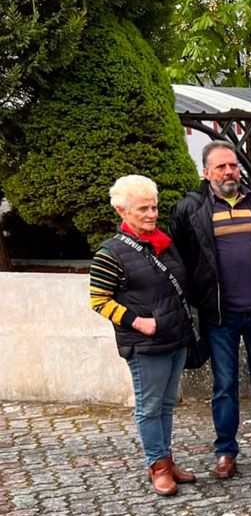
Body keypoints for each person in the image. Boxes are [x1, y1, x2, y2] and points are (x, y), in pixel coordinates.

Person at [172, 141, 251, 479]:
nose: (229, 172)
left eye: (232, 166)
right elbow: (183, 260)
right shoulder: (191, 208)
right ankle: (226, 451)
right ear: (206, 172)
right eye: (221, 167)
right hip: (220, 315)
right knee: (225, 385)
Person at [90, 175, 196, 496]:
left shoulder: (162, 244)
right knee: (149, 407)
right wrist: (137, 322)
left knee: (165, 405)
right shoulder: (111, 253)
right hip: (146, 344)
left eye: (154, 207)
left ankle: (167, 459)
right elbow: (98, 301)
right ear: (122, 211)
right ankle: (157, 465)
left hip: (175, 337)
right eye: (142, 209)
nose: (151, 214)